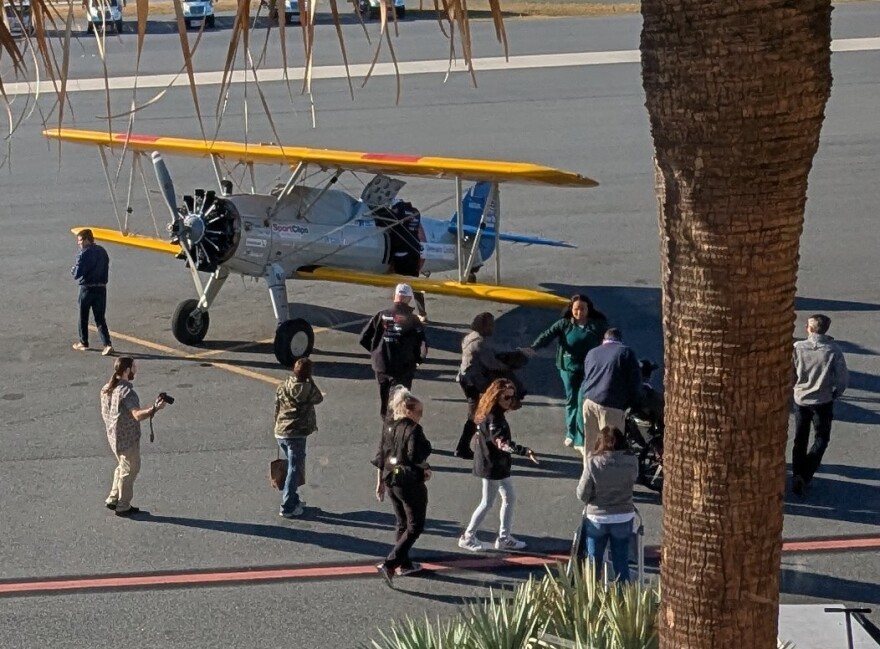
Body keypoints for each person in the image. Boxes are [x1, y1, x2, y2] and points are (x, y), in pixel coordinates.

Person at [458, 378, 539, 552]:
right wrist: (524, 451)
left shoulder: (489, 412)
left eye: (512, 397)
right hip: (492, 466)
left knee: (509, 498)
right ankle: (468, 536)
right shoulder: (495, 418)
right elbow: (501, 442)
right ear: (496, 397)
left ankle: (504, 537)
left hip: (496, 465)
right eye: (506, 398)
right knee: (487, 502)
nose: (510, 401)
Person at [527, 294, 608, 451]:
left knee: (581, 401)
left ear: (588, 309)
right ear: (571, 309)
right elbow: (547, 335)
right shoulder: (564, 324)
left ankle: (579, 439)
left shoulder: (597, 326)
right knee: (571, 400)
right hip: (568, 369)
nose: (579, 312)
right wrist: (533, 348)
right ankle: (571, 432)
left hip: (589, 371)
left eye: (582, 309)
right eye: (576, 309)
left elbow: (609, 340)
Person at [372, 387, 433, 587]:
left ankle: (405, 564)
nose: (421, 416)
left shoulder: (388, 425)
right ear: (409, 411)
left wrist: (379, 481)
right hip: (408, 481)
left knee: (402, 522)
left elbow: (381, 455)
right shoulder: (414, 430)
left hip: (391, 479)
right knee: (415, 525)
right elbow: (416, 455)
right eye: (419, 412)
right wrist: (425, 467)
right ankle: (390, 563)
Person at [100, 356, 167, 517]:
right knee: (130, 470)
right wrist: (154, 409)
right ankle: (123, 506)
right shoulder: (127, 392)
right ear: (127, 371)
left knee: (122, 467)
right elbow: (136, 415)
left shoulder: (106, 388)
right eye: (134, 367)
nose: (136, 369)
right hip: (127, 439)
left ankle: (113, 497)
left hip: (113, 437)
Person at [791, 314, 848, 496]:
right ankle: (806, 474)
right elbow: (842, 379)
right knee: (821, 439)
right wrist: (836, 393)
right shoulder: (833, 350)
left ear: (809, 328)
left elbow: (791, 372)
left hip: (801, 399)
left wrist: (794, 387)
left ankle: (797, 474)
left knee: (800, 438)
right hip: (823, 401)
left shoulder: (797, 348)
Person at [454, 312, 523, 459]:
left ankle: (466, 445)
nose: (493, 328)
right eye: (490, 325)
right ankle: (464, 446)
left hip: (466, 379)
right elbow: (491, 362)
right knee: (476, 414)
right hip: (474, 382)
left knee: (476, 413)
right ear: (484, 326)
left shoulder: (470, 337)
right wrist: (508, 366)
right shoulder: (480, 343)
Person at [576, 426, 638, 582]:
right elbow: (633, 479)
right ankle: (623, 599)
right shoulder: (632, 461)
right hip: (623, 516)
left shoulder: (593, 463)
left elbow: (582, 494)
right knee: (621, 562)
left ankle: (591, 598)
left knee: (593, 563)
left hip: (597, 518)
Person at [359, 283, 428, 420]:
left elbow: (363, 338)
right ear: (408, 299)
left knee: (385, 403)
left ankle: (386, 427)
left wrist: (376, 352)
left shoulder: (381, 315)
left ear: (394, 296)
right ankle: (397, 429)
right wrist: (418, 361)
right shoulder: (413, 320)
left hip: (382, 365)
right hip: (404, 368)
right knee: (401, 403)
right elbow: (423, 346)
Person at [274, 358, 324, 518]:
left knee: (291, 466)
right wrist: (311, 380)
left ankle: (294, 499)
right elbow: (319, 398)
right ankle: (287, 506)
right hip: (297, 433)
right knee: (294, 469)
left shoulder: (283, 386)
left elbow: (277, 405)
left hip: (281, 431)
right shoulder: (308, 389)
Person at [580, 328, 642, 455]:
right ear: (620, 340)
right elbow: (634, 381)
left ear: (604, 340)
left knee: (591, 444)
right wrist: (634, 403)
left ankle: (589, 472)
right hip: (611, 405)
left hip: (589, 402)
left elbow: (587, 376)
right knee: (611, 445)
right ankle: (608, 473)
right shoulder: (625, 352)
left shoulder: (592, 352)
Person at [375, 199, 428, 321]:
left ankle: (399, 312)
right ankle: (422, 313)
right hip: (414, 251)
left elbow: (382, 221)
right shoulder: (415, 212)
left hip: (401, 253)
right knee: (414, 283)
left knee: (399, 284)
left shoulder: (399, 212)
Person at [71, 228, 114, 355]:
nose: (79, 243)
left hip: (87, 288)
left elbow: (77, 274)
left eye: (80, 240)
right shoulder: (102, 251)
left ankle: (83, 342)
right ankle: (107, 344)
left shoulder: (84, 254)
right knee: (100, 318)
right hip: (101, 288)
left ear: (86, 240)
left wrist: (73, 270)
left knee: (83, 316)